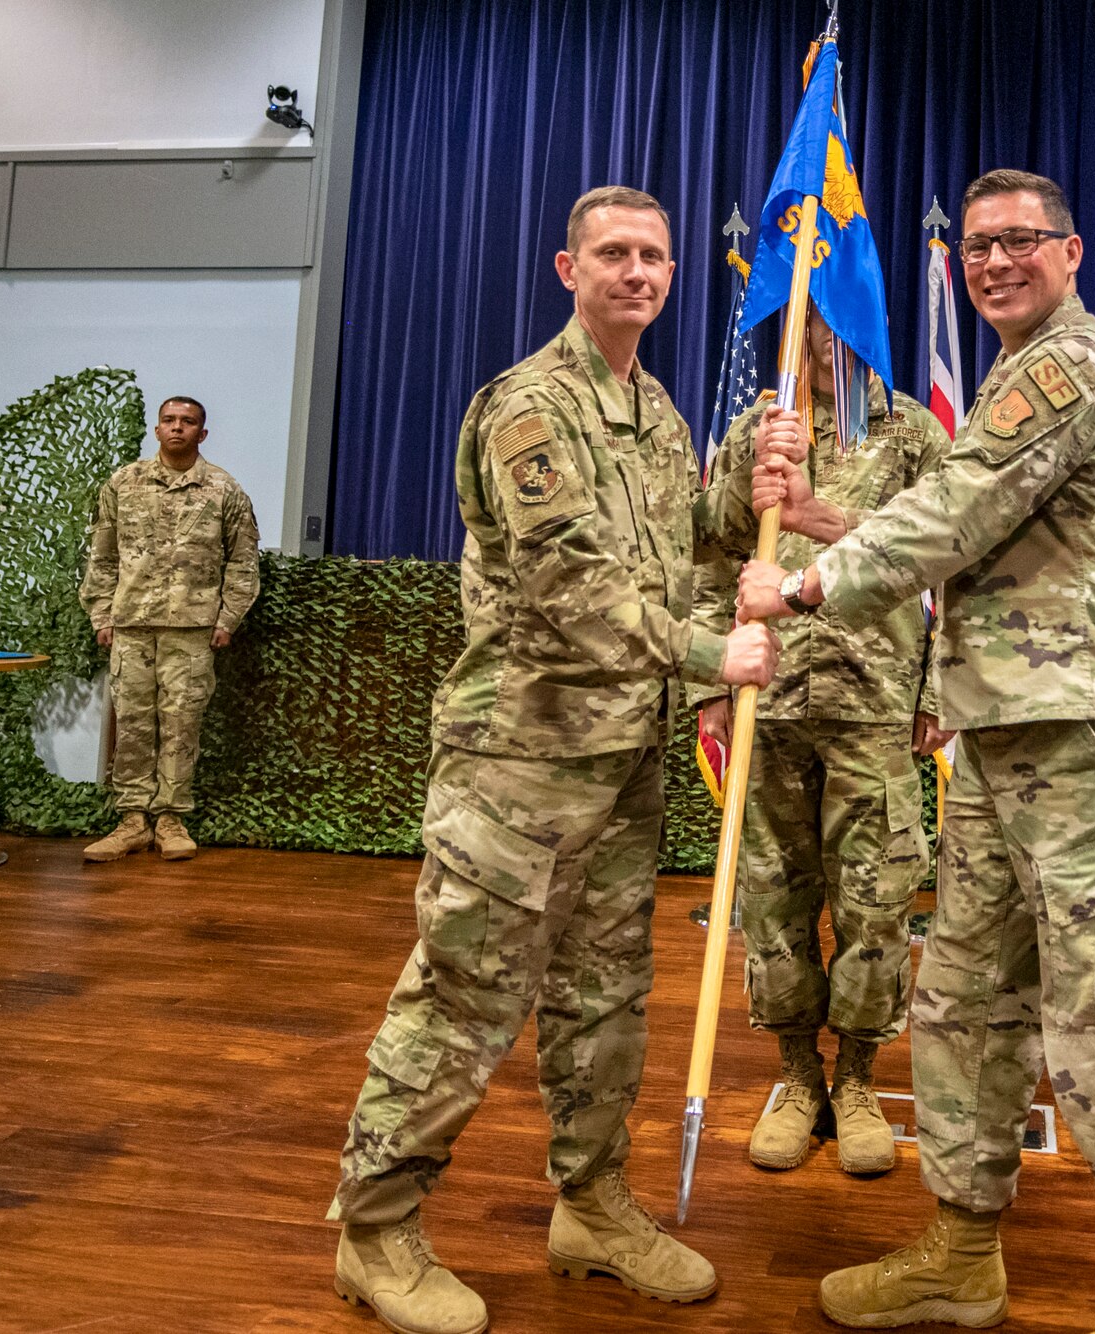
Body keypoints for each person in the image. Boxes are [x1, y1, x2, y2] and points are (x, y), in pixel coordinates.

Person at [738, 169, 1095, 1334]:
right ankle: (960, 1250)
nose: (995, 259)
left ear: (1069, 253)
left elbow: (954, 508)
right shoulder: (1021, 373)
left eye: (1021, 240)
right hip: (1003, 741)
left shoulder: (1072, 363)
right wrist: (820, 523)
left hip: (1091, 750)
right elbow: (976, 530)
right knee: (962, 1003)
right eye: (976, 244)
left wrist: (803, 584)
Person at [326, 185, 779, 1334]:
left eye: (655, 257)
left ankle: (590, 1205)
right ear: (565, 269)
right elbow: (569, 587)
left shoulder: (659, 412)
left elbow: (677, 553)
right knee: (463, 992)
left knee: (604, 994)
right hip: (518, 761)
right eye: (614, 254)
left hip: (621, 753)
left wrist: (753, 489)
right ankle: (373, 1231)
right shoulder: (530, 408)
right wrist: (706, 652)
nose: (638, 272)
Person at [693, 308, 952, 1177]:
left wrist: (941, 689)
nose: (825, 338)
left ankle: (860, 1081)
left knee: (876, 906)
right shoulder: (756, 432)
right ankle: (798, 1076)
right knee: (773, 904)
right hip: (769, 703)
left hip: (874, 700)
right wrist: (710, 686)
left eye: (845, 322)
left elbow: (948, 563)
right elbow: (708, 554)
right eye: (813, 321)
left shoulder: (913, 433)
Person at [78, 395, 259, 862]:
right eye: (169, 420)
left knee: (182, 724)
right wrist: (102, 615)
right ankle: (132, 821)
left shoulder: (224, 490)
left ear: (202, 433)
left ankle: (171, 820)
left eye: (188, 422)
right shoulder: (123, 483)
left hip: (192, 630)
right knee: (134, 725)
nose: (177, 427)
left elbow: (242, 563)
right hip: (132, 626)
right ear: (156, 429)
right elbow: (102, 555)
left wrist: (227, 619)